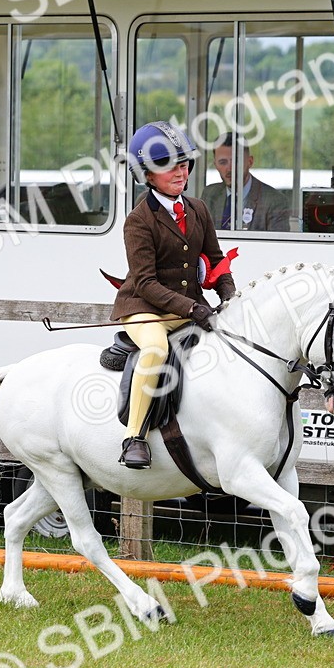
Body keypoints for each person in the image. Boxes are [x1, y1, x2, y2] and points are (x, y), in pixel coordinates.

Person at [111, 121, 236, 469]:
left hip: (190, 308)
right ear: (148, 175)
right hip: (144, 308)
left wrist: (229, 297)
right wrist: (194, 307)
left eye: (184, 164)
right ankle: (134, 438)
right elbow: (146, 282)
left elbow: (215, 260)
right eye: (169, 166)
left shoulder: (198, 209)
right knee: (155, 349)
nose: (180, 172)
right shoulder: (138, 221)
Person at [202, 133, 292, 232]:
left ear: (250, 162)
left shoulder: (274, 201)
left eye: (236, 161)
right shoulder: (209, 194)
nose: (229, 168)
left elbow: (278, 245)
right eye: (222, 162)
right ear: (215, 165)